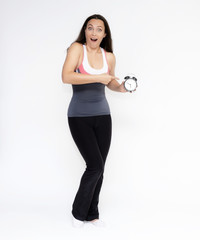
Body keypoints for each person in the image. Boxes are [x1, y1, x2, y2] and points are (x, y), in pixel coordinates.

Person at [62, 14, 129, 228]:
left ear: (104, 34)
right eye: (90, 28)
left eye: (99, 29)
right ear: (85, 31)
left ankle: (92, 214)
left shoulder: (108, 57)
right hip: (79, 116)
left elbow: (110, 82)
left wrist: (122, 87)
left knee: (100, 168)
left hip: (103, 117)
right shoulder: (76, 49)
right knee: (94, 165)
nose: (93, 32)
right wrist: (98, 77)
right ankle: (77, 212)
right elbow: (66, 76)